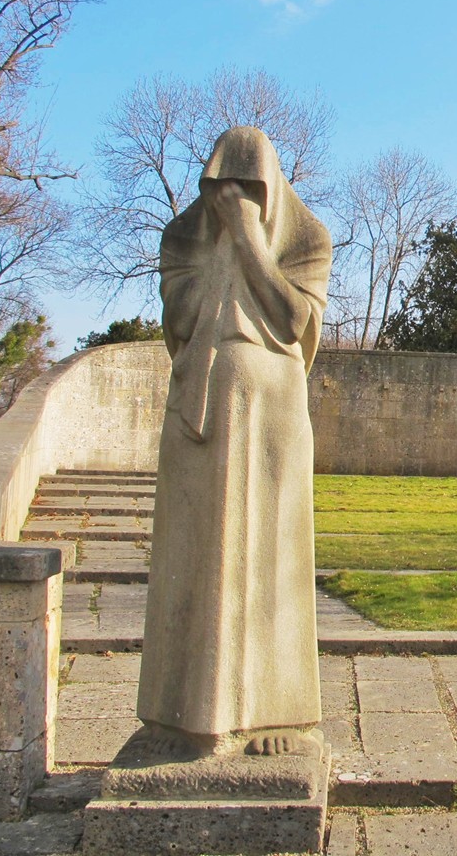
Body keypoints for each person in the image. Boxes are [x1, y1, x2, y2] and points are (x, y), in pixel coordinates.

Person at [137, 126, 332, 758]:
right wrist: (221, 241)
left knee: (272, 555)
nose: (231, 195)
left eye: (246, 186)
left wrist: (249, 238)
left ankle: (275, 710)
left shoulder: (307, 239)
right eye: (221, 186)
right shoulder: (183, 237)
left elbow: (294, 321)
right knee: (193, 558)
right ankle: (181, 716)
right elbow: (182, 319)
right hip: (198, 410)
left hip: (273, 411)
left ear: (269, 188)